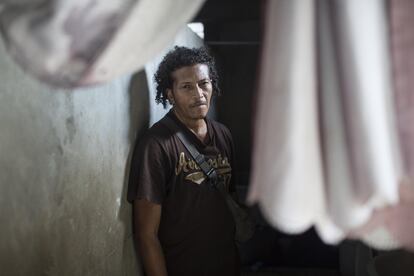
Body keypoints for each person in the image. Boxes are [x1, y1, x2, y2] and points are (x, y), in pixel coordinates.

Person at [127, 46, 240, 276]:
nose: (198, 94)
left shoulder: (223, 135)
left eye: (203, 83)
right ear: (170, 94)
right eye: (186, 87)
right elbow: (146, 235)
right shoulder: (156, 145)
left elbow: (230, 197)